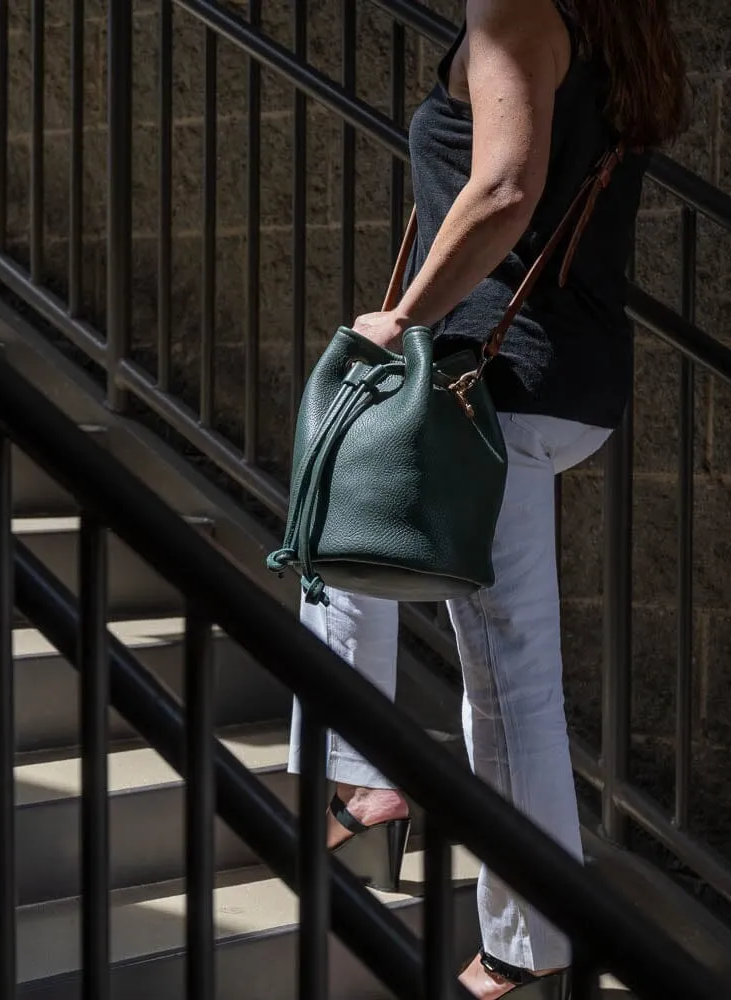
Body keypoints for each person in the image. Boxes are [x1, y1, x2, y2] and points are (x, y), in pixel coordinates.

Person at [286, 0, 688, 996]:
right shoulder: (610, 21)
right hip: (564, 375)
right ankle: (358, 778)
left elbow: (506, 185)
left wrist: (401, 319)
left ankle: (523, 940)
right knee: (346, 527)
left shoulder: (516, 9)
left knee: (508, 678)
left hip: (489, 382)